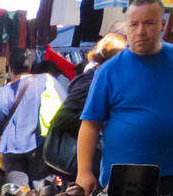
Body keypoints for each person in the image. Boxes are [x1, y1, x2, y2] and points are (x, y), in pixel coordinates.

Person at [76, 0, 173, 196]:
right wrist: (84, 172)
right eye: (134, 24)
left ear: (162, 25)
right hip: (125, 178)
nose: (140, 31)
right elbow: (90, 124)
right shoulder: (108, 71)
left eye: (149, 23)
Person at [46, 32, 126, 180]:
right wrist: (96, 122)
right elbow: (62, 117)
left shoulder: (104, 77)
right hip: (80, 159)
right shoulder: (92, 79)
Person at [0, 48, 50, 187]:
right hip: (40, 145)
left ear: (10, 68)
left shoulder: (2, 93)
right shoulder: (45, 83)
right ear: (30, 67)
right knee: (43, 193)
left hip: (11, 148)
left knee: (17, 193)